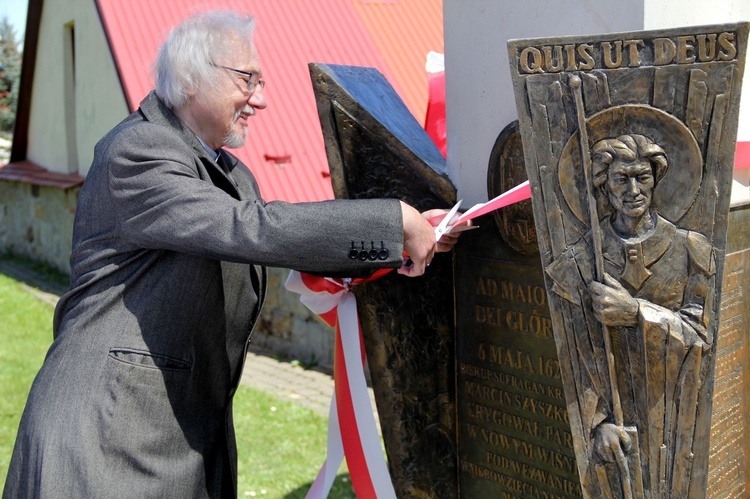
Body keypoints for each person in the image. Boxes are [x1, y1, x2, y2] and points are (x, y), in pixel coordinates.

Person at [3, 11, 464, 498]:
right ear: (189, 77)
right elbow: (249, 229)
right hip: (108, 438)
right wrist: (392, 221)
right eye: (248, 79)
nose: (261, 99)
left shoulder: (228, 171)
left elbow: (284, 239)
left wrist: (408, 238)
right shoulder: (138, 151)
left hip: (176, 435)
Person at [546, 134, 714, 495]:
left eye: (643, 177)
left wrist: (637, 312)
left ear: (656, 180)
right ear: (604, 186)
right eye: (621, 179)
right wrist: (598, 421)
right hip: (618, 429)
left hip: (673, 417)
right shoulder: (578, 261)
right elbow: (576, 351)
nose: (634, 189)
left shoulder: (689, 249)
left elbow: (701, 337)